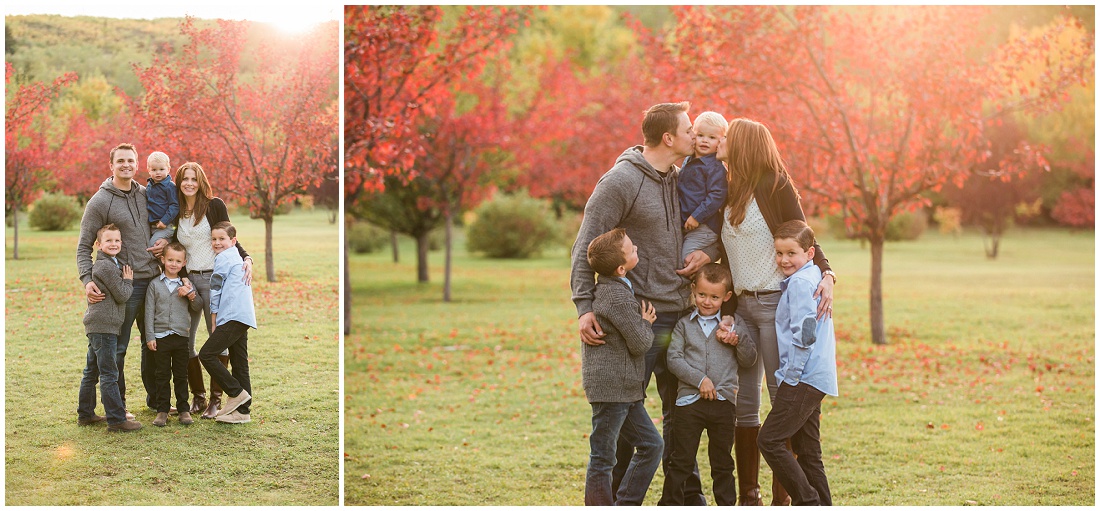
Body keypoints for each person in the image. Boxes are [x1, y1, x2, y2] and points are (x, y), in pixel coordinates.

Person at [570, 102, 716, 504]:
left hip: (681, 313)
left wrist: (709, 252)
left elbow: (712, 224)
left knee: (681, 417)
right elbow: (585, 246)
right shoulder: (620, 181)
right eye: (689, 129)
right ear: (668, 138)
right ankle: (613, 500)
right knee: (623, 419)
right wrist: (584, 307)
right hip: (637, 320)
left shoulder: (681, 177)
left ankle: (685, 499)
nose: (695, 134)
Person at [715, 118, 836, 504]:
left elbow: (805, 236)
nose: (720, 142)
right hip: (741, 306)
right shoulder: (727, 187)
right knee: (744, 401)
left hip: (773, 304)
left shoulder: (775, 184)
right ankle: (748, 494)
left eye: (726, 137)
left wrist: (828, 272)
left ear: (743, 145)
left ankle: (785, 495)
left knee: (783, 395)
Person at [77, 143, 166, 418]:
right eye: (121, 161)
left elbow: (159, 226)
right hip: (123, 287)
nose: (126, 165)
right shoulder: (100, 201)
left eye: (131, 160)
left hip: (153, 279)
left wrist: (164, 241)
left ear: (137, 164)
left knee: (152, 344)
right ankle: (119, 406)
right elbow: (83, 246)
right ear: (111, 165)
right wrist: (86, 278)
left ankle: (157, 401)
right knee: (117, 348)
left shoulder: (145, 193)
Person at [660, 263, 755, 505]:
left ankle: (726, 505)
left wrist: (737, 341)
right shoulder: (683, 325)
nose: (707, 301)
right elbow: (673, 359)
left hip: (723, 404)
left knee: (722, 463)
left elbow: (749, 359)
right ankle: (669, 504)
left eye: (714, 297)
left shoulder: (731, 325)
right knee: (681, 460)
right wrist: (700, 380)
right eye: (702, 294)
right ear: (693, 289)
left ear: (726, 297)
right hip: (689, 405)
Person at [581, 228, 663, 506]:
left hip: (626, 389)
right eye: (632, 249)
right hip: (611, 388)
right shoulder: (615, 297)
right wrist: (646, 323)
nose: (636, 247)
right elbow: (640, 343)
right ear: (620, 268)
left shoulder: (619, 288)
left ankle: (626, 503)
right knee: (603, 457)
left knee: (652, 445)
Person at [758, 220, 837, 505]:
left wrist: (789, 378)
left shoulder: (802, 284)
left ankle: (808, 501)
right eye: (779, 253)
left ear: (809, 252)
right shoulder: (813, 275)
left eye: (791, 253)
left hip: (803, 377)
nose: (784, 260)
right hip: (817, 376)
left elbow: (804, 336)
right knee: (808, 450)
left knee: (768, 440)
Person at [167, 162, 254, 419]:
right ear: (179, 182)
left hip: (216, 282)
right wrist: (182, 279)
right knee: (187, 341)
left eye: (194, 178)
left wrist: (247, 257)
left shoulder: (214, 205)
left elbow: (228, 237)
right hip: (190, 281)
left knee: (218, 340)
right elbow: (176, 247)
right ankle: (199, 396)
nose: (189, 183)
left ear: (200, 180)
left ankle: (217, 400)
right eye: (185, 179)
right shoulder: (177, 211)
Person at [77, 224, 142, 432]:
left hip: (99, 325)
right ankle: (116, 419)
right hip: (104, 327)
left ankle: (85, 414)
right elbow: (122, 295)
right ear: (99, 244)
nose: (113, 244)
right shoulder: (105, 267)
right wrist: (129, 280)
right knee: (108, 373)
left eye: (117, 240)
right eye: (109, 240)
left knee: (92, 370)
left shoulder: (110, 263)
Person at [200, 221, 257, 424]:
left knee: (207, 355)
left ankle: (236, 392)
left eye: (222, 239)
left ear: (233, 241)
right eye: (214, 239)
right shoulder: (236, 257)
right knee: (239, 362)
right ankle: (242, 412)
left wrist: (214, 318)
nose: (217, 243)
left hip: (232, 315)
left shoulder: (224, 257)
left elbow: (215, 289)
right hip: (243, 315)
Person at [144, 242, 205, 427]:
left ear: (184, 263)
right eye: (170, 260)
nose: (173, 264)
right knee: (161, 374)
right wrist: (150, 336)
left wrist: (191, 294)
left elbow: (198, 306)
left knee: (180, 374)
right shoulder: (154, 285)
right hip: (161, 337)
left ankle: (184, 409)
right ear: (162, 260)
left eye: (178, 261)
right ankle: (162, 410)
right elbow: (148, 312)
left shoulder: (186, 284)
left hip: (181, 337)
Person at [679, 111, 729, 262]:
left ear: (720, 141)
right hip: (686, 224)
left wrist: (697, 216)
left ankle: (698, 284)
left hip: (703, 225)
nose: (705, 141)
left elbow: (717, 195)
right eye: (700, 135)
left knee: (686, 259)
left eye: (712, 137)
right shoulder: (688, 159)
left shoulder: (715, 167)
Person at [146, 151, 179, 247]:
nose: (158, 172)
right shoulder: (149, 186)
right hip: (152, 225)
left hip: (166, 226)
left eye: (161, 169)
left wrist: (165, 221)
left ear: (168, 169)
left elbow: (175, 205)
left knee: (153, 246)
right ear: (149, 170)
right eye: (154, 169)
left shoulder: (170, 186)